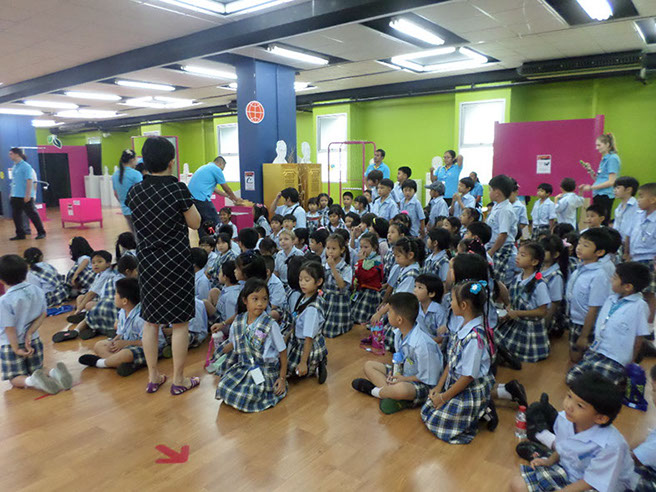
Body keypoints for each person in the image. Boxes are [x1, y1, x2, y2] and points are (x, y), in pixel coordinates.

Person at [125, 136, 201, 395]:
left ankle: (153, 376)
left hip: (148, 264)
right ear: (171, 162)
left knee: (150, 322)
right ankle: (179, 379)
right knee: (180, 323)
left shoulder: (135, 191)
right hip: (176, 263)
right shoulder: (177, 189)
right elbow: (195, 223)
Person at [509, 371, 637, 492]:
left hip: (599, 486)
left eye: (580, 405)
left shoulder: (611, 446)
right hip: (570, 472)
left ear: (600, 418)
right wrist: (549, 461)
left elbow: (592, 482)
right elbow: (563, 447)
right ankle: (545, 453)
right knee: (517, 484)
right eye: (569, 396)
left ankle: (541, 450)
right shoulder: (564, 419)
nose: (569, 405)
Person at [421, 280, 494, 444]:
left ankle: (484, 410)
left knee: (437, 423)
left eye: (452, 300)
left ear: (464, 305)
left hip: (469, 387)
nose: (450, 303)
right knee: (428, 408)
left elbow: (467, 377)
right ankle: (481, 411)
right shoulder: (462, 325)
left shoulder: (474, 338)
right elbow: (452, 360)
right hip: (456, 382)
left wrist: (443, 397)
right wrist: (438, 388)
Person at [568, 262, 650, 387]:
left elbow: (639, 338)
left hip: (617, 358)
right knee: (572, 378)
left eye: (615, 278)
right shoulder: (611, 298)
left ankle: (616, 383)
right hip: (598, 351)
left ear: (628, 287)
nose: (611, 279)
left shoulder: (640, 306)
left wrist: (631, 364)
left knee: (598, 385)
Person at [0, 255, 73, 394]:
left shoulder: (4, 301)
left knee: (15, 378)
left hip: (11, 344)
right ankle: (54, 372)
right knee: (38, 369)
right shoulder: (37, 291)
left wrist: (16, 349)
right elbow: (43, 314)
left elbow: (9, 328)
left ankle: (33, 381)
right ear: (26, 272)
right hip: (34, 340)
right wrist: (29, 333)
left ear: (2, 280)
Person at [215, 278, 288, 412]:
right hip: (245, 366)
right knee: (223, 386)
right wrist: (225, 349)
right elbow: (235, 341)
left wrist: (282, 378)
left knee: (248, 396)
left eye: (264, 299)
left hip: (264, 370)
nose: (260, 304)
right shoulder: (239, 320)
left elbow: (282, 351)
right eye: (255, 299)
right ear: (245, 300)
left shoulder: (270, 324)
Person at [78, 277, 166, 377]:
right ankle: (121, 363)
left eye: (116, 294)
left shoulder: (141, 318)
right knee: (99, 345)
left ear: (124, 301)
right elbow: (121, 333)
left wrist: (126, 343)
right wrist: (114, 341)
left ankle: (100, 363)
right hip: (126, 343)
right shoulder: (123, 312)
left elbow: (153, 341)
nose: (114, 296)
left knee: (126, 354)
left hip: (147, 347)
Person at [496, 242, 551, 362]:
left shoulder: (540, 284)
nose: (517, 257)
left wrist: (518, 313)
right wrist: (509, 309)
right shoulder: (517, 278)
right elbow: (513, 300)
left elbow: (542, 311)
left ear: (534, 262)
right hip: (515, 322)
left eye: (522, 255)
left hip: (529, 328)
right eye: (518, 253)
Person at [565, 228, 611, 363]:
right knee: (573, 355)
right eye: (579, 243)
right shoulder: (580, 268)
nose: (579, 248)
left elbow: (593, 308)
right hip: (575, 319)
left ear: (599, 252)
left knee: (580, 357)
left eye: (586, 245)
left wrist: (584, 335)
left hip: (585, 324)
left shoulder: (598, 276)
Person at [286, 261, 328, 383]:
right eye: (300, 279)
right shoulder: (306, 296)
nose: (302, 283)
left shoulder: (312, 310)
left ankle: (316, 365)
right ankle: (318, 362)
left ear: (318, 282)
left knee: (290, 373)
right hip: (300, 340)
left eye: (307, 280)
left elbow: (309, 338)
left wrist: (303, 363)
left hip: (306, 345)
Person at [626, 182, 656, 324]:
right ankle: (635, 322)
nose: (638, 200)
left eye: (641, 196)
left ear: (653, 200)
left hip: (649, 259)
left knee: (648, 293)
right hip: (634, 258)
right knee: (634, 292)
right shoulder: (637, 215)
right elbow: (629, 235)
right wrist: (626, 253)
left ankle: (648, 325)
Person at [187, 156, 242, 232]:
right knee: (215, 222)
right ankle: (218, 238)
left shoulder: (205, 167)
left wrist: (228, 196)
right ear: (220, 164)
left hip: (192, 199)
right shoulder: (216, 169)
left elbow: (214, 189)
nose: (221, 171)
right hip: (201, 198)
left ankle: (205, 239)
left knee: (203, 223)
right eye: (222, 169)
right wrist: (236, 199)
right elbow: (226, 188)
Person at [579, 133, 620, 225]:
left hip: (605, 195)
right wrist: (590, 170)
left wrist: (591, 188)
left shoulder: (612, 158)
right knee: (596, 222)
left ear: (607, 145)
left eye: (599, 145)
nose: (597, 148)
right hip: (598, 194)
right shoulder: (604, 159)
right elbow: (599, 179)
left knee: (602, 221)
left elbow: (611, 181)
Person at [486, 175, 519, 285]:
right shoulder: (497, 206)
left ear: (497, 193)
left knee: (497, 280)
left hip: (501, 248)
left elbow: (503, 235)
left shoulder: (505, 210)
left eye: (490, 189)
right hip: (494, 246)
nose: (489, 192)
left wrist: (491, 251)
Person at [8, 147, 46, 240]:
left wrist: (28, 195)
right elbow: (14, 182)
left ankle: (41, 232)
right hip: (15, 195)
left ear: (17, 154)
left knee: (32, 214)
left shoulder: (26, 166)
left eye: (11, 154)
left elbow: (29, 180)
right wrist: (11, 193)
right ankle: (20, 234)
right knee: (16, 216)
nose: (10, 156)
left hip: (25, 195)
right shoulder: (14, 167)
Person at [322, 234, 353, 338]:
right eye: (328, 248)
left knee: (331, 332)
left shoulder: (346, 268)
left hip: (339, 301)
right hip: (326, 299)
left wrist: (333, 268)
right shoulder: (324, 265)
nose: (330, 251)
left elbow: (341, 285)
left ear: (342, 250)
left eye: (334, 248)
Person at [351, 233, 384, 326]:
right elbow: (357, 274)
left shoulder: (377, 263)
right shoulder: (365, 260)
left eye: (366, 247)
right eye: (361, 247)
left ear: (374, 247)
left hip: (370, 293)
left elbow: (366, 276)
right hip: (361, 291)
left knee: (363, 319)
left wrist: (361, 262)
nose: (363, 250)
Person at [111, 149, 143, 233]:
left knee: (134, 233)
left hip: (125, 210)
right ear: (132, 160)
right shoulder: (136, 174)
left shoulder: (115, 175)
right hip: (138, 210)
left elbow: (116, 194)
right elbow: (143, 192)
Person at [613, 176, 640, 242]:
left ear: (628, 189)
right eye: (614, 188)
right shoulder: (618, 208)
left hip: (632, 241)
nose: (615, 190)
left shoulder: (637, 206)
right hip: (619, 241)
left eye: (618, 188)